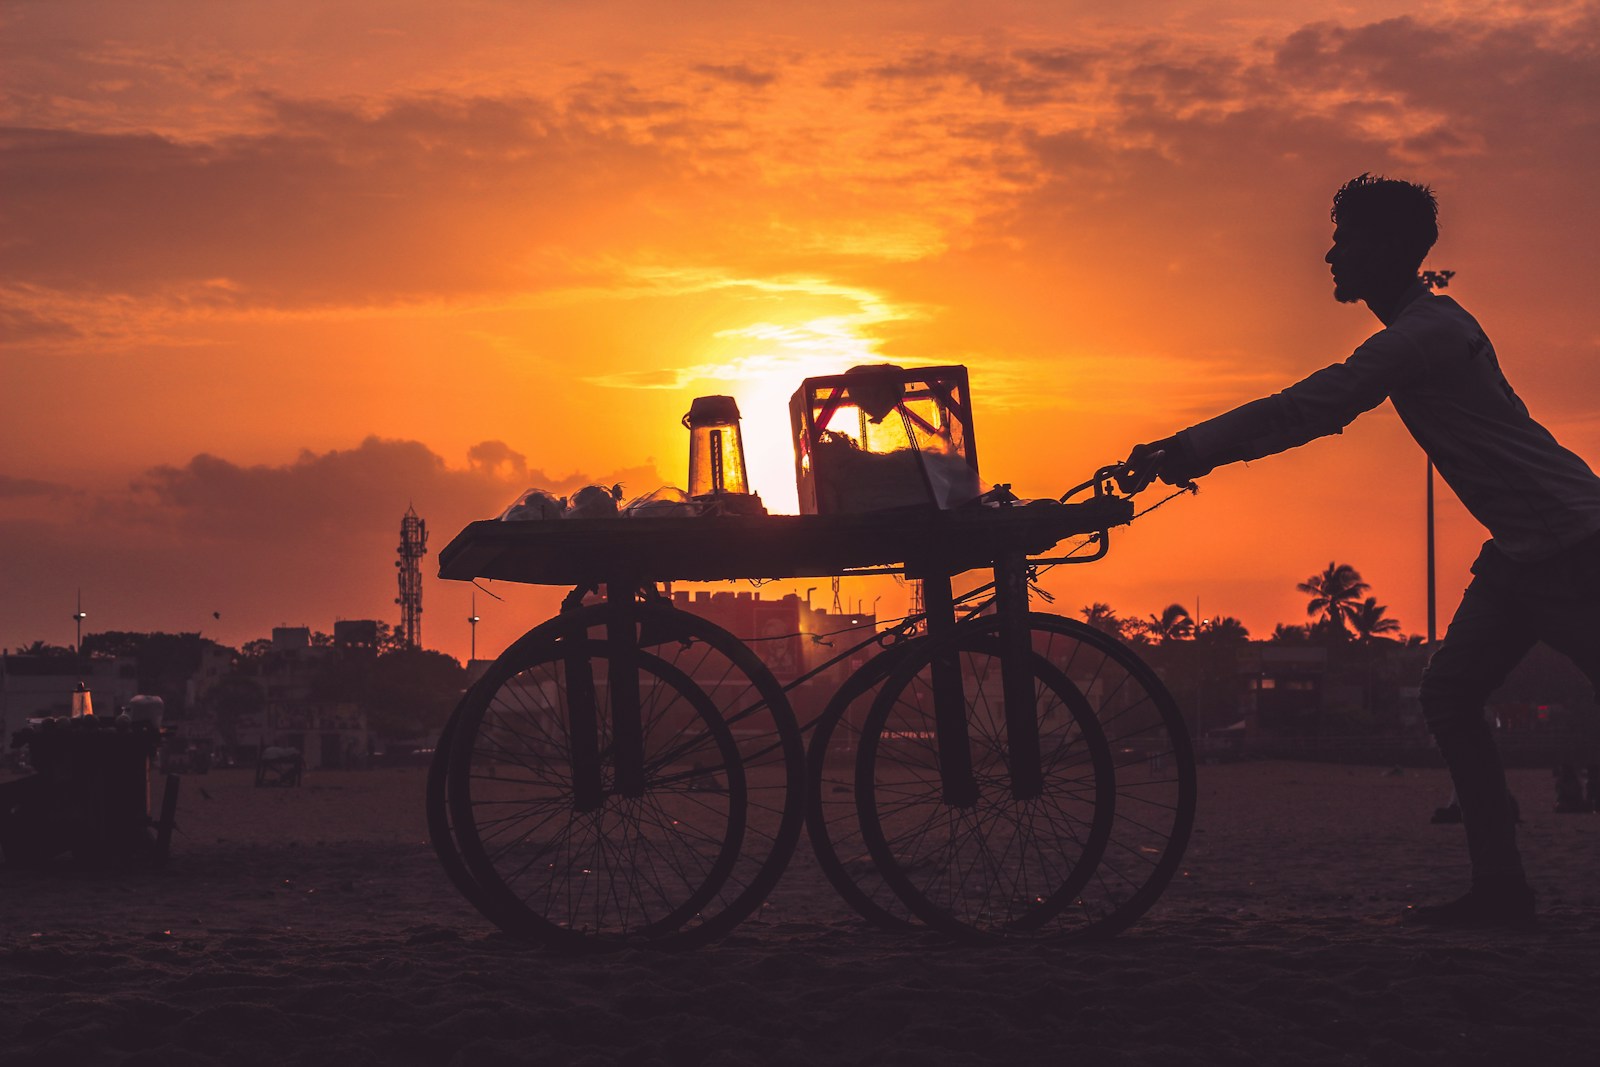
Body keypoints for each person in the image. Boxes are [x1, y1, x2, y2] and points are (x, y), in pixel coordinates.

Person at [1119, 173, 1600, 928]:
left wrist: (1189, 448)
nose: (1331, 255)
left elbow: (1314, 405)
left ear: (1389, 249)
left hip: (1574, 544)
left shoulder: (1424, 334)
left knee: (1453, 693)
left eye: (1346, 240)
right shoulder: (1426, 330)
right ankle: (1501, 888)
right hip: (1525, 549)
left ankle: (1502, 887)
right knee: (1448, 693)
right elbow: (1312, 409)